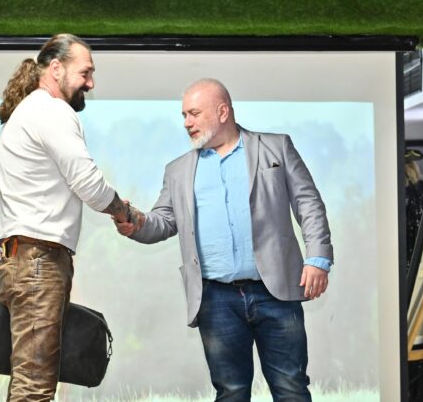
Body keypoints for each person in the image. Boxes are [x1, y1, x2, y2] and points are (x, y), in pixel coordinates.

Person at [115, 78, 333, 401]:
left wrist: (318, 258)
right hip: (215, 300)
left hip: (276, 292)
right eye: (184, 115)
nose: (186, 123)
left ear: (222, 112)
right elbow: (163, 221)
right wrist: (135, 222)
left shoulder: (276, 148)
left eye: (194, 113)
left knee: (291, 388)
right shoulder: (177, 170)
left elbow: (308, 203)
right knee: (230, 392)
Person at [0, 33, 143, 401]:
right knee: (35, 386)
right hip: (38, 263)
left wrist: (14, 230)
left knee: (27, 378)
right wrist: (124, 212)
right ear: (56, 69)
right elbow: (88, 183)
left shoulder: (23, 114)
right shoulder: (53, 112)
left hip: (15, 261)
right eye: (85, 72)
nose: (91, 83)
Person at [403, 148, 423, 402]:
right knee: (420, 337)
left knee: (404, 336)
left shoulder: (397, 193)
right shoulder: (422, 189)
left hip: (401, 274)